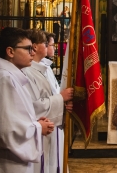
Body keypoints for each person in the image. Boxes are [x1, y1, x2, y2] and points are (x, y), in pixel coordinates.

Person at [0, 27, 54, 172]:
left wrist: (35, 122)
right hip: (7, 162)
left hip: (11, 159)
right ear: (10, 51)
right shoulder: (4, 80)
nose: (32, 53)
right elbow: (4, 129)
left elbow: (13, 119)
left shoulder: (10, 77)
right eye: (27, 49)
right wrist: (38, 128)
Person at [23, 29, 74, 173]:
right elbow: (33, 105)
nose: (48, 46)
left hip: (53, 126)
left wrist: (62, 104)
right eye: (45, 43)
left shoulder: (45, 68)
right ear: (34, 47)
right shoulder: (27, 71)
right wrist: (60, 98)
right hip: (42, 129)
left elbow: (53, 93)